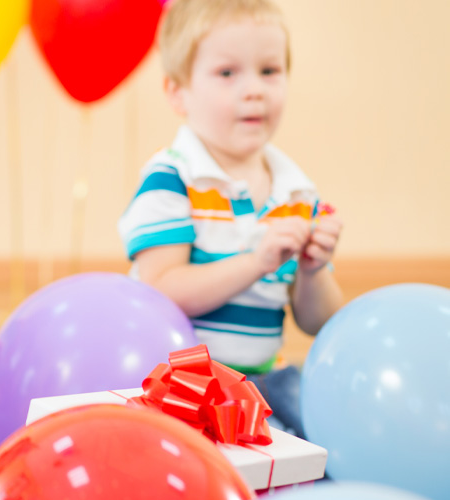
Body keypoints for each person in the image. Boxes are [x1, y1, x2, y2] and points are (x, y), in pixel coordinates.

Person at [117, 0, 344, 438]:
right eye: (227, 73)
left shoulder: (297, 192)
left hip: (262, 382)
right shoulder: (172, 178)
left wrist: (313, 270)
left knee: (323, 438)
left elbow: (317, 322)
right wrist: (255, 262)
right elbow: (163, 290)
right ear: (177, 92)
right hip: (182, 387)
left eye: (269, 71)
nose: (253, 89)